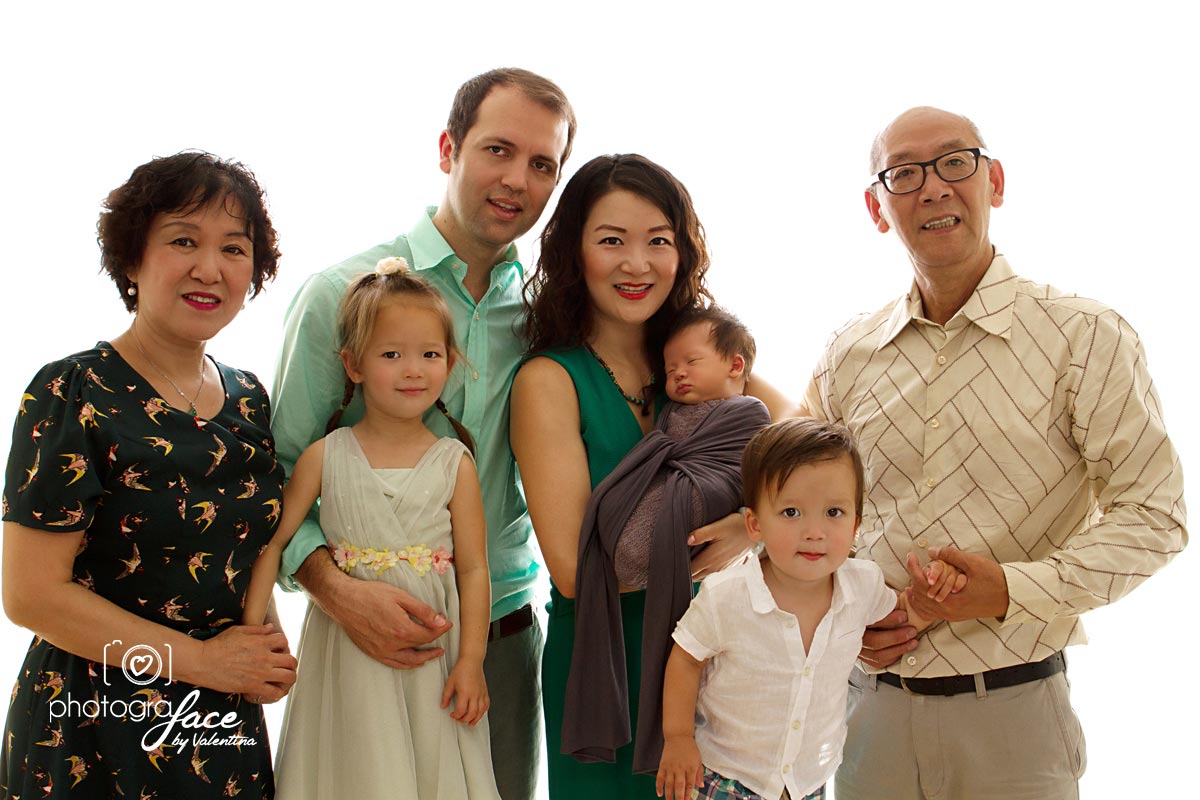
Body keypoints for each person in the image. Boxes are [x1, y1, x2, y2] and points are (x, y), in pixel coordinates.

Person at [801, 106, 1188, 800]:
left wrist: (1009, 591)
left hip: (1017, 722)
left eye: (956, 162)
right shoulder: (847, 354)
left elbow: (1157, 520)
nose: (934, 187)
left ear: (994, 181)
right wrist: (838, 612)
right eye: (905, 173)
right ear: (876, 206)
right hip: (867, 719)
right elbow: (804, 517)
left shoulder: (1085, 337)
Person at [270, 68, 574, 800]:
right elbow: (278, 473)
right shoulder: (339, 296)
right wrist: (337, 593)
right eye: (497, 150)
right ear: (448, 149)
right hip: (358, 640)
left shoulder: (549, 317)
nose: (516, 180)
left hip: (499, 643)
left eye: (542, 165)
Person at [1, 152, 297, 799]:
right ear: (131, 258)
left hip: (218, 730)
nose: (209, 268)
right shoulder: (71, 391)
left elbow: (240, 548)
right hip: (91, 728)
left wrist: (262, 645)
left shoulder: (249, 397)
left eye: (234, 248)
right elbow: (29, 596)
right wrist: (203, 662)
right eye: (183, 241)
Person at [511, 154, 792, 797]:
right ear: (573, 252)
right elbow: (578, 572)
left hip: (727, 661)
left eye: (659, 242)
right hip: (610, 671)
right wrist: (716, 545)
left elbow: (804, 444)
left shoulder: (699, 358)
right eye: (612, 241)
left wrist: (749, 533)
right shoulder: (549, 380)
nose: (637, 264)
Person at [247, 258, 499, 798]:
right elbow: (273, 542)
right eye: (392, 355)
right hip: (344, 653)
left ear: (450, 363)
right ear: (353, 364)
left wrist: (473, 662)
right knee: (354, 767)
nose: (413, 370)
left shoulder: (455, 462)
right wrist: (256, 635)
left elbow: (476, 568)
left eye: (430, 355)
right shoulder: (324, 456)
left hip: (435, 662)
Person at [655, 419, 962, 800]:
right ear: (754, 524)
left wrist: (928, 603)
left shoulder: (863, 583)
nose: (814, 532)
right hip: (728, 775)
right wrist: (679, 737)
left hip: (806, 782)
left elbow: (899, 615)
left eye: (833, 513)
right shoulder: (727, 595)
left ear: (855, 527)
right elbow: (686, 658)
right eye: (791, 513)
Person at [566, 305, 770, 772]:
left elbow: (766, 464)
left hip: (708, 488)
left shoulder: (749, 411)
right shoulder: (674, 412)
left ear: (735, 366)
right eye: (670, 367)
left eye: (691, 363)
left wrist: (746, 519)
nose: (677, 375)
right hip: (640, 564)